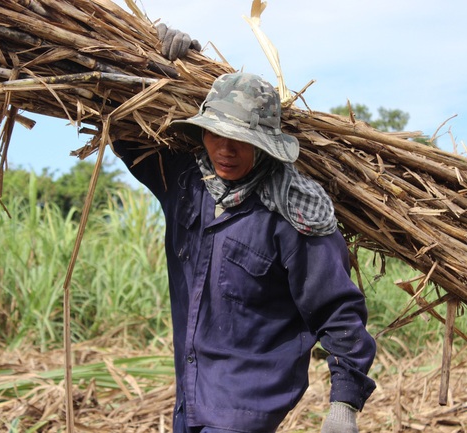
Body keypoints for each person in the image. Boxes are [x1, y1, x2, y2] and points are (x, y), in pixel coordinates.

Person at [111, 26, 376, 433]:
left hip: (243, 414)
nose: (225, 149)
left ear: (266, 144)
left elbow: (338, 311)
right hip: (190, 402)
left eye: (240, 138)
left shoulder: (294, 215)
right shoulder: (186, 185)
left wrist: (344, 405)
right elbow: (121, 123)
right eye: (216, 133)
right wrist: (159, 60)